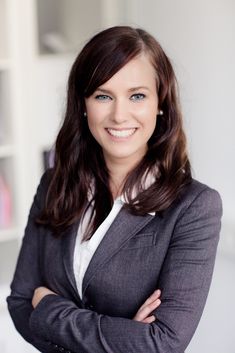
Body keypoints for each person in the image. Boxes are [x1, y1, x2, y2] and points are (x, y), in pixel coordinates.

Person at [7, 26, 222, 353]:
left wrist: (48, 306)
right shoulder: (54, 184)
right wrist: (121, 337)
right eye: (103, 96)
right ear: (83, 104)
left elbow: (162, 344)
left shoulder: (194, 208)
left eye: (137, 95)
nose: (120, 115)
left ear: (159, 102)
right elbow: (21, 302)